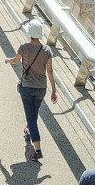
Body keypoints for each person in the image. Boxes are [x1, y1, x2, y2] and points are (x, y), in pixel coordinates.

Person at [5, 19, 59, 162]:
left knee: (31, 117)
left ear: (30, 34)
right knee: (34, 112)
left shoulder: (24, 47)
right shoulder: (47, 50)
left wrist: (8, 60)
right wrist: (54, 90)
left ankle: (38, 150)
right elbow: (50, 71)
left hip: (27, 87)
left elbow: (16, 60)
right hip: (42, 88)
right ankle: (29, 129)